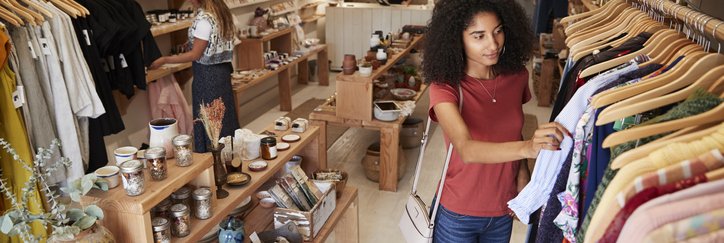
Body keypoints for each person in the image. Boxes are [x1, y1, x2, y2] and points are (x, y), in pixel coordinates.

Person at [423, 0, 570, 242]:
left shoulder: (516, 77)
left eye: (498, 31)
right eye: (478, 36)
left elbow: (512, 131)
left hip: (504, 209)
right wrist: (527, 148)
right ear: (456, 38)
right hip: (457, 213)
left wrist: (522, 174)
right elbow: (466, 149)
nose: (493, 44)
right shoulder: (445, 87)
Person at [150, 0, 240, 153]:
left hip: (207, 76)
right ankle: (229, 155)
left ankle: (211, 158)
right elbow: (214, 39)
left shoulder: (204, 20)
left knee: (209, 118)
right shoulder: (222, 13)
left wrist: (165, 59)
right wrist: (192, 42)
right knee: (224, 116)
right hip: (222, 72)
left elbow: (195, 54)